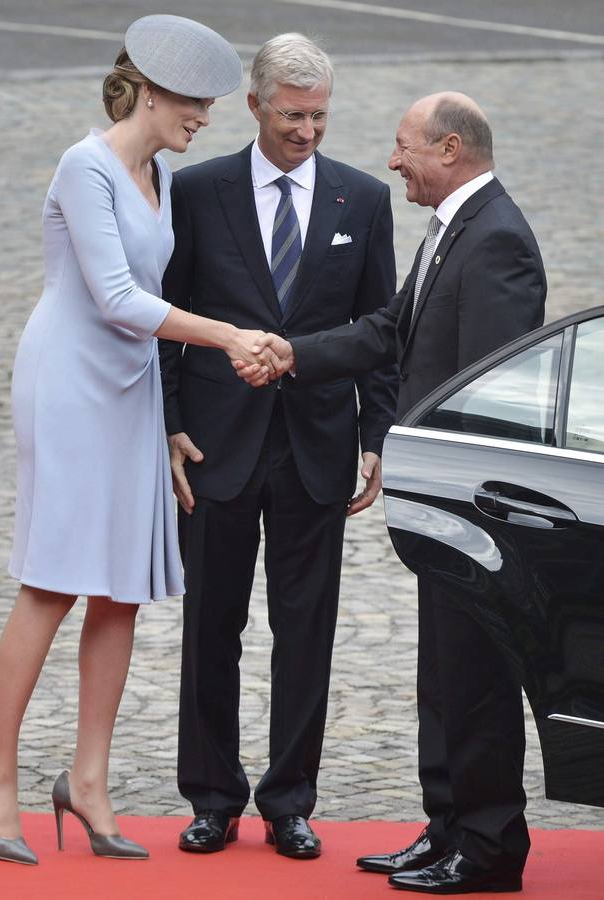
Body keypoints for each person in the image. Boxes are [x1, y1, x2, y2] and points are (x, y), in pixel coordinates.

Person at [0, 15, 266, 866]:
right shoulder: (83, 164)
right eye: (195, 103)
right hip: (66, 387)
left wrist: (168, 420)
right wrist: (233, 337)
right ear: (154, 92)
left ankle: (86, 782)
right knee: (53, 580)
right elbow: (119, 300)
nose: (203, 118)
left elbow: (146, 315)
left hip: (131, 395)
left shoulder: (158, 173)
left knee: (121, 589)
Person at [238, 92, 546, 892]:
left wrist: (452, 493)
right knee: (441, 674)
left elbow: (490, 391)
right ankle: (445, 826)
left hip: (471, 507)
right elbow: (388, 332)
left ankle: (486, 848)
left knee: (475, 676)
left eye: (403, 146)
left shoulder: (499, 240)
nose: (391, 160)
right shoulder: (456, 231)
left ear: (448, 149)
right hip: (439, 506)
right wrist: (290, 354)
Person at [159, 33, 397, 859]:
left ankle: (290, 799)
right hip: (216, 446)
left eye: (320, 115)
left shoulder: (361, 200)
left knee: (307, 632)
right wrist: (168, 421)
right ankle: (212, 798)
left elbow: (379, 328)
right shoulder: (194, 191)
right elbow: (163, 313)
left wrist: (377, 435)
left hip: (317, 446)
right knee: (209, 627)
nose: (307, 131)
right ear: (256, 105)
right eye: (292, 115)